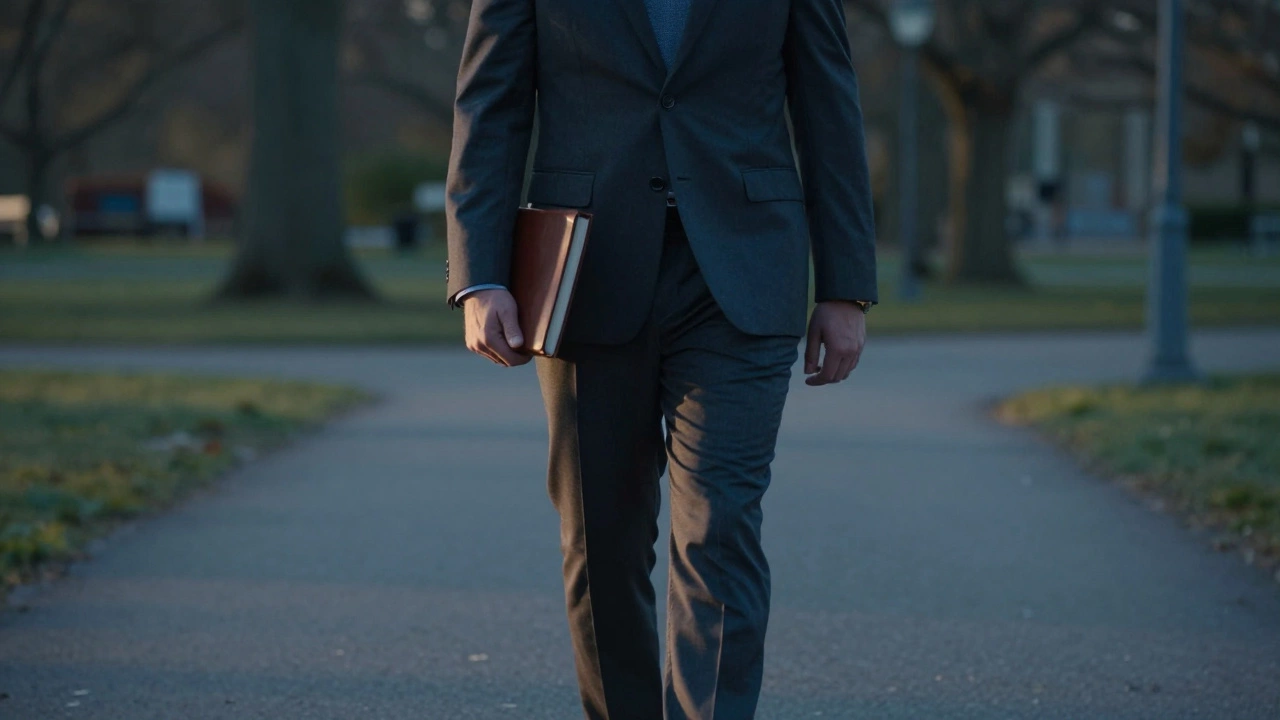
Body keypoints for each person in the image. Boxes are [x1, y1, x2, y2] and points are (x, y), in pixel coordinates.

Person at [444, 0, 878, 717]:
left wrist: (845, 287)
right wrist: (481, 275)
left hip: (743, 271)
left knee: (721, 527)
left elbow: (830, 105)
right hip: (585, 271)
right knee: (600, 540)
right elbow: (490, 105)